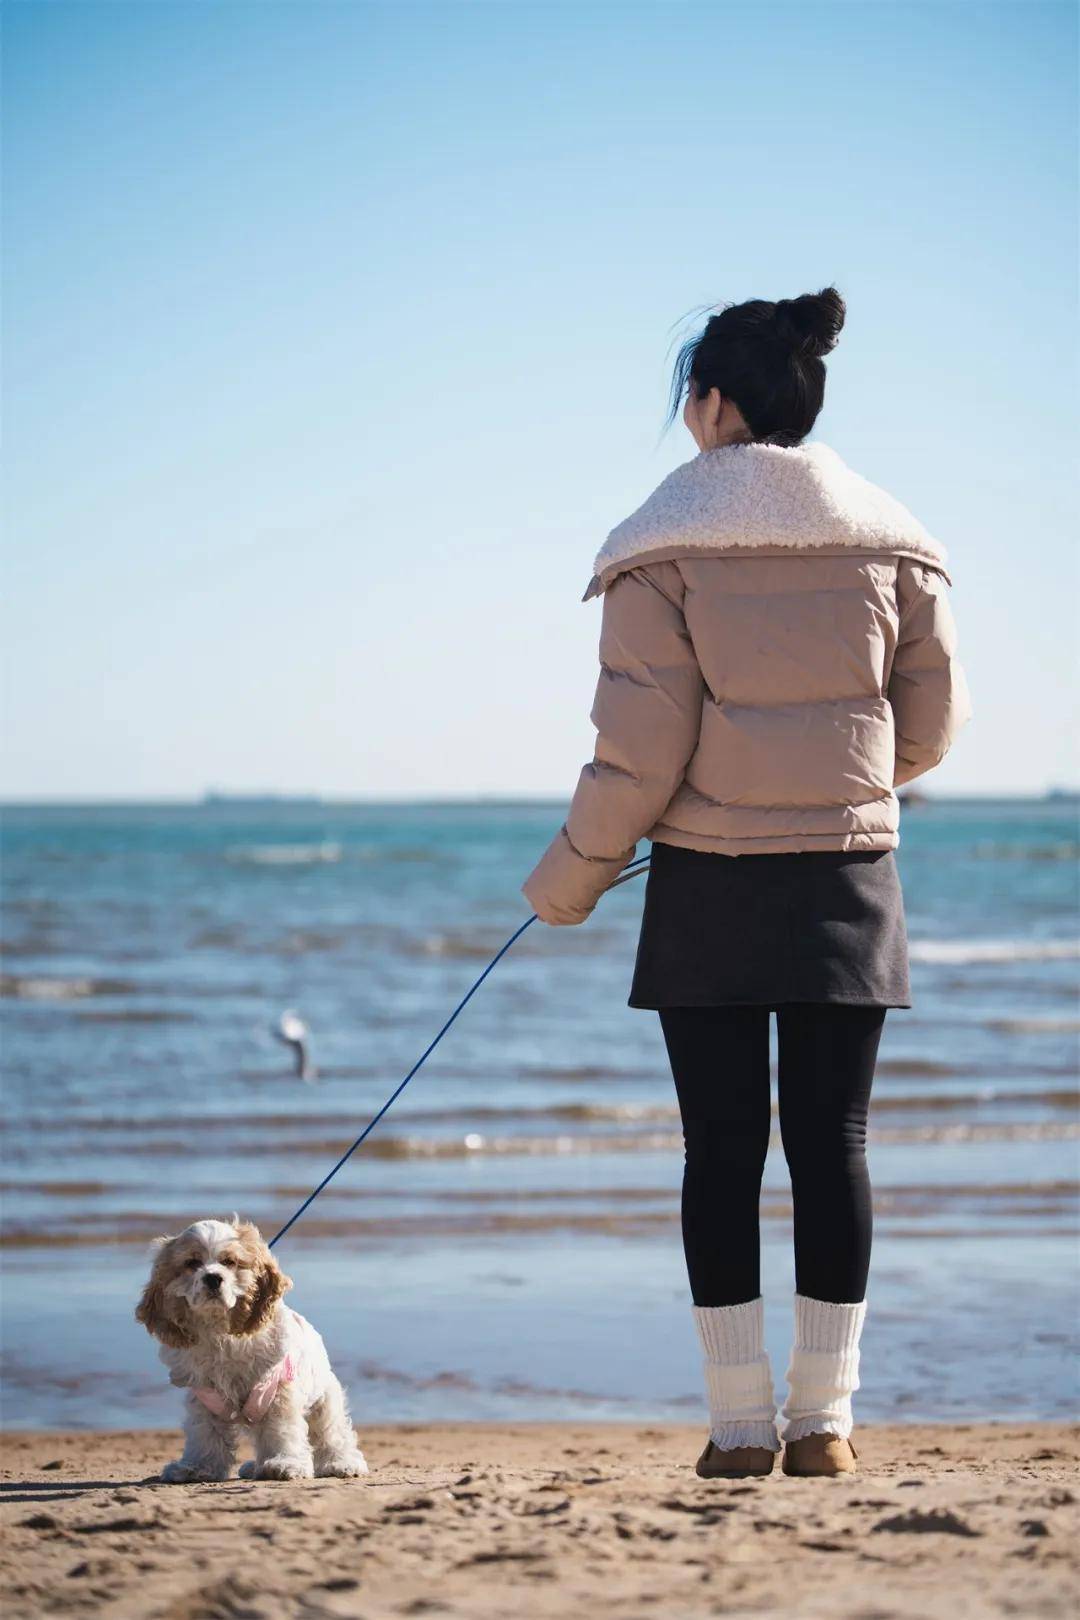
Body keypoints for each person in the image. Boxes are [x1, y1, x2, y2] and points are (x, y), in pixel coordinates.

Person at [521, 287, 971, 1480]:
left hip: (711, 884)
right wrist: (837, 785)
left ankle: (736, 1429)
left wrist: (568, 881)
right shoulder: (892, 540)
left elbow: (642, 754)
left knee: (719, 1149)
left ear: (713, 404)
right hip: (849, 874)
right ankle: (825, 1427)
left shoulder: (658, 546)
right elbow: (927, 724)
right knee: (835, 1143)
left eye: (687, 396)